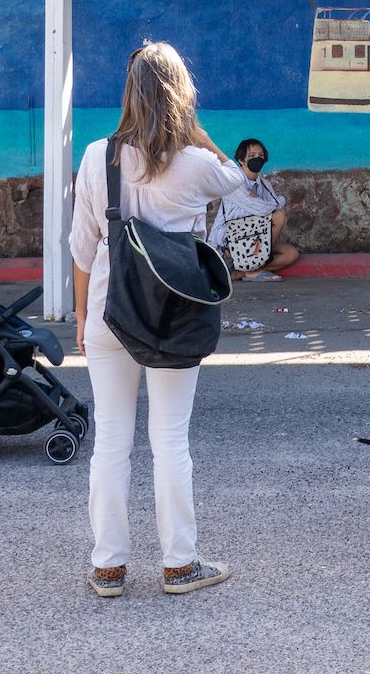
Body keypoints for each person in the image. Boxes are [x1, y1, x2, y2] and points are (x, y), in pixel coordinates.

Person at [72, 42, 245, 599]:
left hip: (110, 312)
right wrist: (193, 130)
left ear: (129, 94)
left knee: (111, 443)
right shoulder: (195, 165)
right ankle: (179, 565)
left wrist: (82, 318)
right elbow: (235, 177)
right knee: (170, 441)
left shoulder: (99, 156)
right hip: (173, 313)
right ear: (180, 95)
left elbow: (82, 247)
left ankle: (108, 567)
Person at [209, 138, 300, 281]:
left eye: (261, 156)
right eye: (252, 156)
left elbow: (278, 202)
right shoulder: (235, 181)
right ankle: (251, 270)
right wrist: (268, 202)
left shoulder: (263, 184)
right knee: (279, 216)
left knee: (291, 253)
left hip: (253, 238)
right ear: (241, 160)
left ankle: (244, 272)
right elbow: (264, 209)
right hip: (229, 242)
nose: (258, 158)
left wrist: (264, 200)